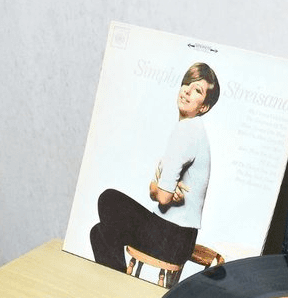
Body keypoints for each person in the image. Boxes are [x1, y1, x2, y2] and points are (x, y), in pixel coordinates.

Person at [90, 62, 220, 274]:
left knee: (109, 199)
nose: (187, 90)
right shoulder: (190, 130)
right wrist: (159, 189)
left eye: (197, 90)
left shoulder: (187, 133)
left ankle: (117, 283)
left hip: (172, 238)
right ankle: (118, 281)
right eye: (186, 83)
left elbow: (163, 198)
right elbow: (155, 191)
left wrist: (160, 190)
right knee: (100, 233)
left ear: (204, 107)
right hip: (176, 237)